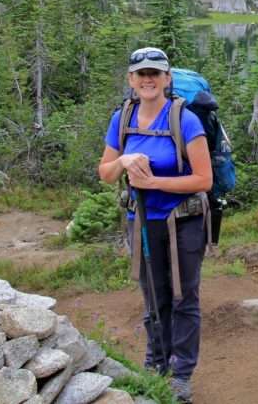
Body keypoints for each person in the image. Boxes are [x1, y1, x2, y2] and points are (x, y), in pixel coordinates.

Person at [99, 47, 212, 403]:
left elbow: (203, 179)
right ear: (131, 80)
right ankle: (155, 365)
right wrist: (125, 161)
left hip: (184, 220)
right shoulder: (122, 118)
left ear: (167, 79)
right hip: (142, 222)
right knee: (154, 297)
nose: (148, 80)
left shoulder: (185, 120)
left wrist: (154, 183)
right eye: (141, 74)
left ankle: (181, 375)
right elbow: (105, 173)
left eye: (155, 74)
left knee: (183, 297)